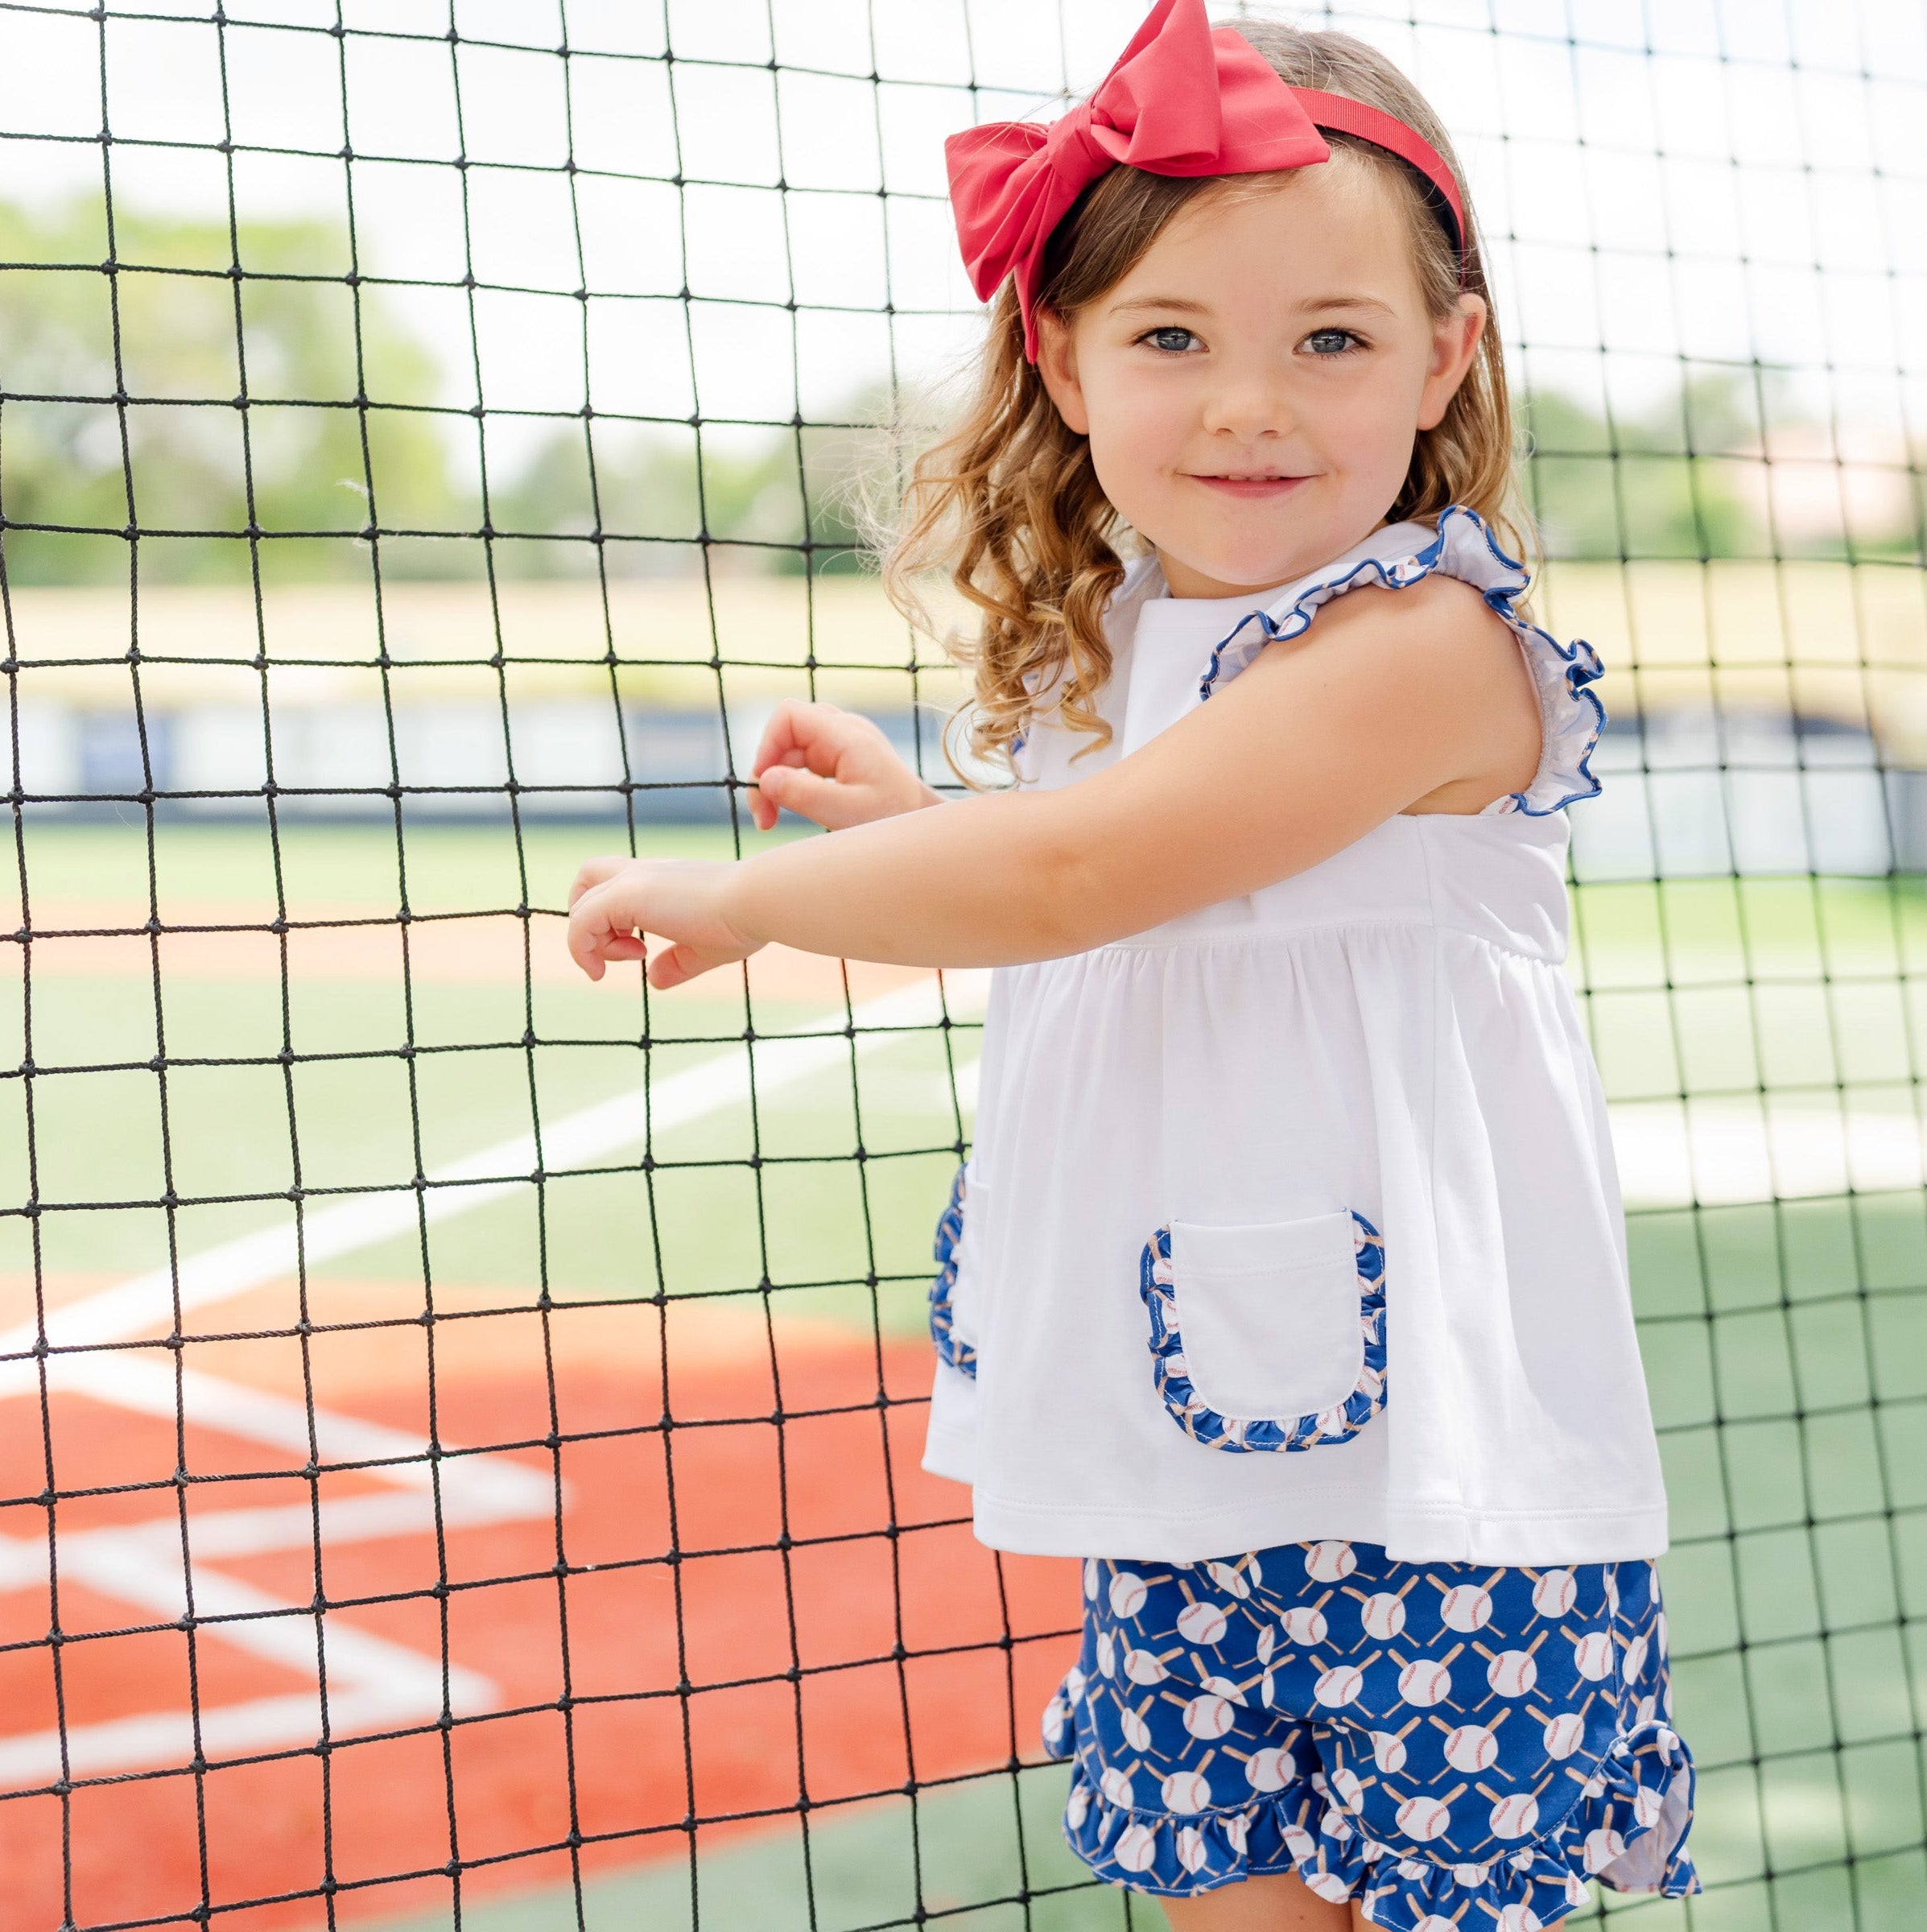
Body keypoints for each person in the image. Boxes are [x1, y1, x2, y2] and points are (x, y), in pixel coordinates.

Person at [565, 4, 1698, 1925]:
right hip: (1190, 1438)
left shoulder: (1424, 639)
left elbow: (1089, 873)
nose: (1250, 402)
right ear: (1063, 361)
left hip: (1431, 1480)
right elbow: (1132, 879)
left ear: (1446, 357)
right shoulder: (1126, 645)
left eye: (1329, 339)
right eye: (1172, 337)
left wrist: (754, 903)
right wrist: (912, 831)